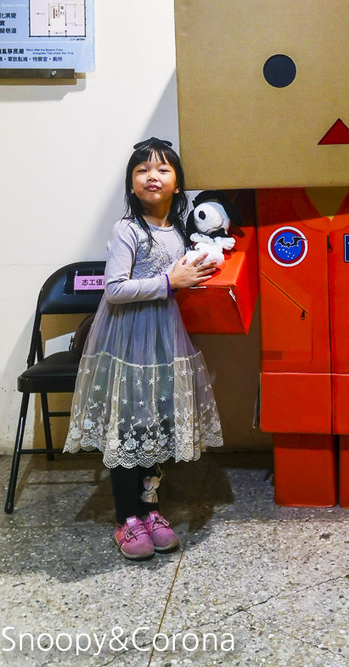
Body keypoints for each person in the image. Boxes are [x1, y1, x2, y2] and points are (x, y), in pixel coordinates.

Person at [64, 137, 223, 560]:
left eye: (163, 169)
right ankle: (126, 518)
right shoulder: (128, 230)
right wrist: (171, 282)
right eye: (142, 170)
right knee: (128, 428)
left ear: (177, 183)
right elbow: (115, 290)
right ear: (131, 184)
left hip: (164, 341)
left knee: (155, 423)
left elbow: (182, 277)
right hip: (126, 339)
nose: (153, 176)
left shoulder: (179, 232)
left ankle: (151, 509)